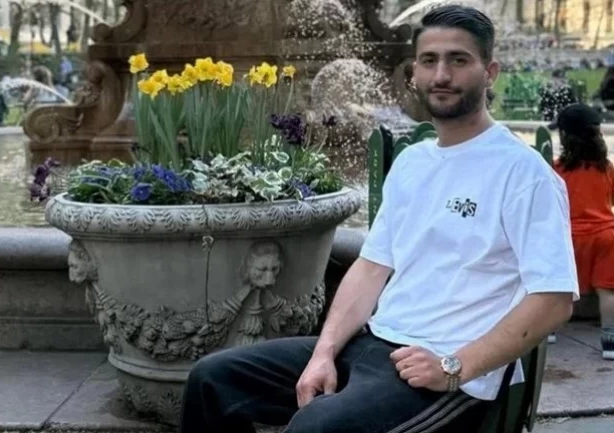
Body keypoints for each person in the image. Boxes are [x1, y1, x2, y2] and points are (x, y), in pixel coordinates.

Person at [179, 6, 578, 433]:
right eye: (429, 60)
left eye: (458, 60)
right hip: (373, 343)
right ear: (414, 72)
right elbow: (370, 268)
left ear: (490, 72)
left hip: (446, 374)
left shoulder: (523, 173)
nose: (441, 75)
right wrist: (324, 353)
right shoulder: (412, 162)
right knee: (211, 381)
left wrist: (455, 367)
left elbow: (553, 300)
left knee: (316, 428)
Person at [551, 103, 614, 360]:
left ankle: (550, 330)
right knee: (607, 291)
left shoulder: (557, 169)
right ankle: (609, 341)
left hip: (569, 237)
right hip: (607, 236)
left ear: (565, 136)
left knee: (559, 286)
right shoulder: (606, 168)